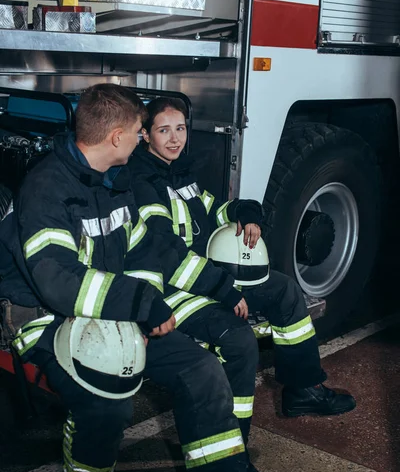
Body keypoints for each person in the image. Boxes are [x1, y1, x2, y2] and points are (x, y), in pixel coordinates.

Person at [7, 84, 289, 472]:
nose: (144, 140)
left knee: (202, 369)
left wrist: (220, 286)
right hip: (47, 318)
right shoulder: (46, 189)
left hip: (109, 313)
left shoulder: (110, 182)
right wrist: (138, 305)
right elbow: (55, 279)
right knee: (108, 401)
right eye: (141, 132)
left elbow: (151, 247)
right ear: (116, 137)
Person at [129, 97, 357, 418]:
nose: (175, 138)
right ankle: (232, 439)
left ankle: (303, 389)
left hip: (206, 279)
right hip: (174, 292)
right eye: (164, 130)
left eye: (180, 128)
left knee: (285, 291)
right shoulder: (143, 185)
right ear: (146, 135)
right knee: (239, 340)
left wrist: (246, 213)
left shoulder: (178, 175)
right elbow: (167, 257)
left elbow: (214, 210)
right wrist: (224, 288)